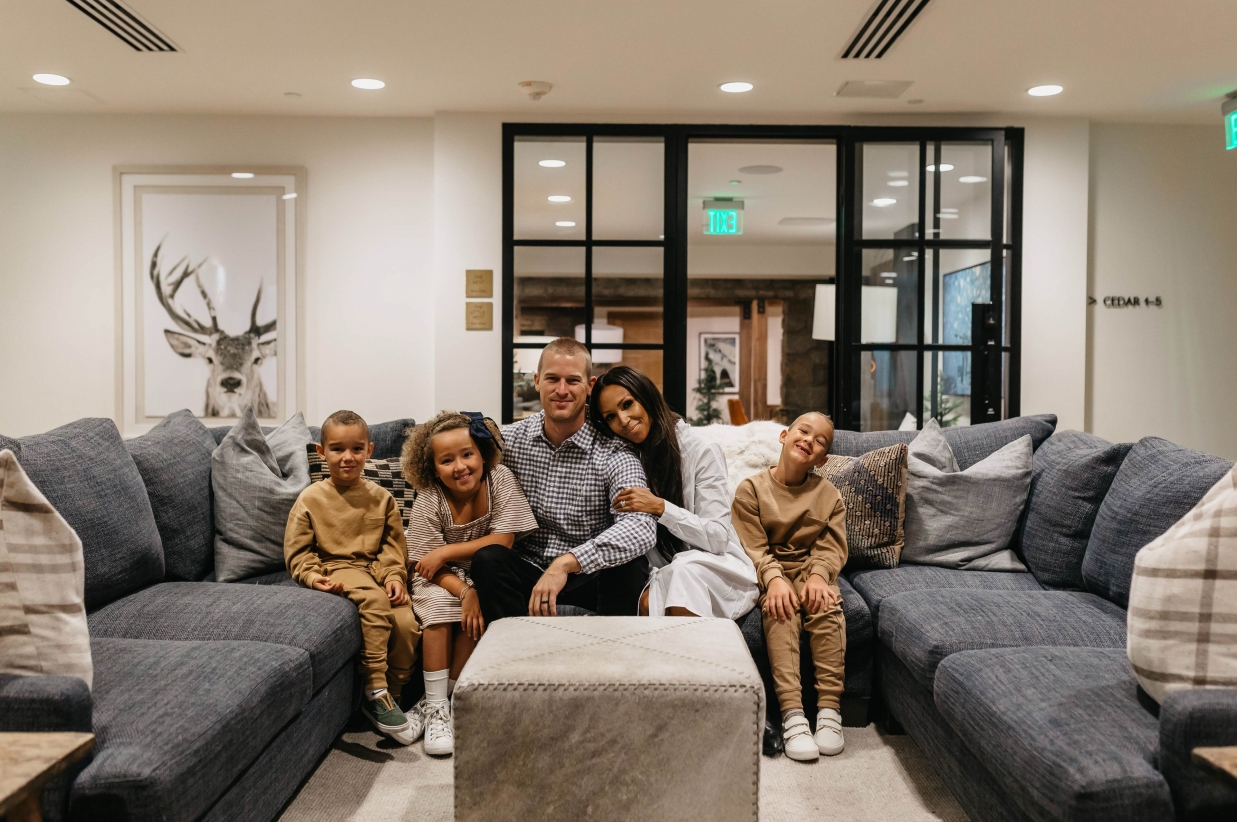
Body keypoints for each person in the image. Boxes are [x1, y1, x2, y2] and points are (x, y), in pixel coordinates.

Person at [471, 337, 657, 621]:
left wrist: (567, 563)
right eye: (552, 379)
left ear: (590, 386)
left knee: (630, 566)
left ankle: (612, 661)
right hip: (527, 570)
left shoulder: (614, 450)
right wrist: (465, 588)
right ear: (536, 381)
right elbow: (451, 459)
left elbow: (640, 528)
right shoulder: (509, 441)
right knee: (488, 559)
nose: (561, 390)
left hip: (588, 573)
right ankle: (513, 656)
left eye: (572, 380)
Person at [400, 410, 538, 756]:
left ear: (482, 454)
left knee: (472, 620)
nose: (460, 466)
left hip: (481, 572)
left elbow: (502, 542)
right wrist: (463, 590)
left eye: (467, 454)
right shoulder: (430, 499)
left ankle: (437, 703)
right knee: (439, 609)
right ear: (432, 468)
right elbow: (425, 564)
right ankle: (434, 705)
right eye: (446, 460)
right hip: (440, 579)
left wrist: (449, 552)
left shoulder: (499, 478)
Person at [284, 410, 422, 745]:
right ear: (321, 452)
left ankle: (394, 695)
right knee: (374, 603)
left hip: (373, 573)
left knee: (406, 624)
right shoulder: (310, 499)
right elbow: (298, 552)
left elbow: (392, 548)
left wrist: (395, 578)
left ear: (369, 450)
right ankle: (376, 688)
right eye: (337, 449)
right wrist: (313, 576)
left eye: (357, 449)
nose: (348, 457)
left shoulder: (381, 498)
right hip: (336, 569)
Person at [589, 365, 758, 620]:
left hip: (718, 568)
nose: (623, 421)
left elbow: (717, 538)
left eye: (627, 404)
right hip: (666, 571)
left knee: (680, 573)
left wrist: (660, 507)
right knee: (653, 593)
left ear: (646, 396)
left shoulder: (701, 449)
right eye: (611, 416)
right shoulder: (625, 460)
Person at [730, 412, 848, 762]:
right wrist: (774, 579)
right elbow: (753, 546)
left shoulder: (829, 494)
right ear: (784, 436)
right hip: (774, 573)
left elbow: (831, 546)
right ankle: (793, 715)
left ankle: (829, 713)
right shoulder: (751, 489)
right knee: (779, 613)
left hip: (813, 572)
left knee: (826, 606)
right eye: (803, 431)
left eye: (820, 440)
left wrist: (818, 576)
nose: (809, 439)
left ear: (822, 459)